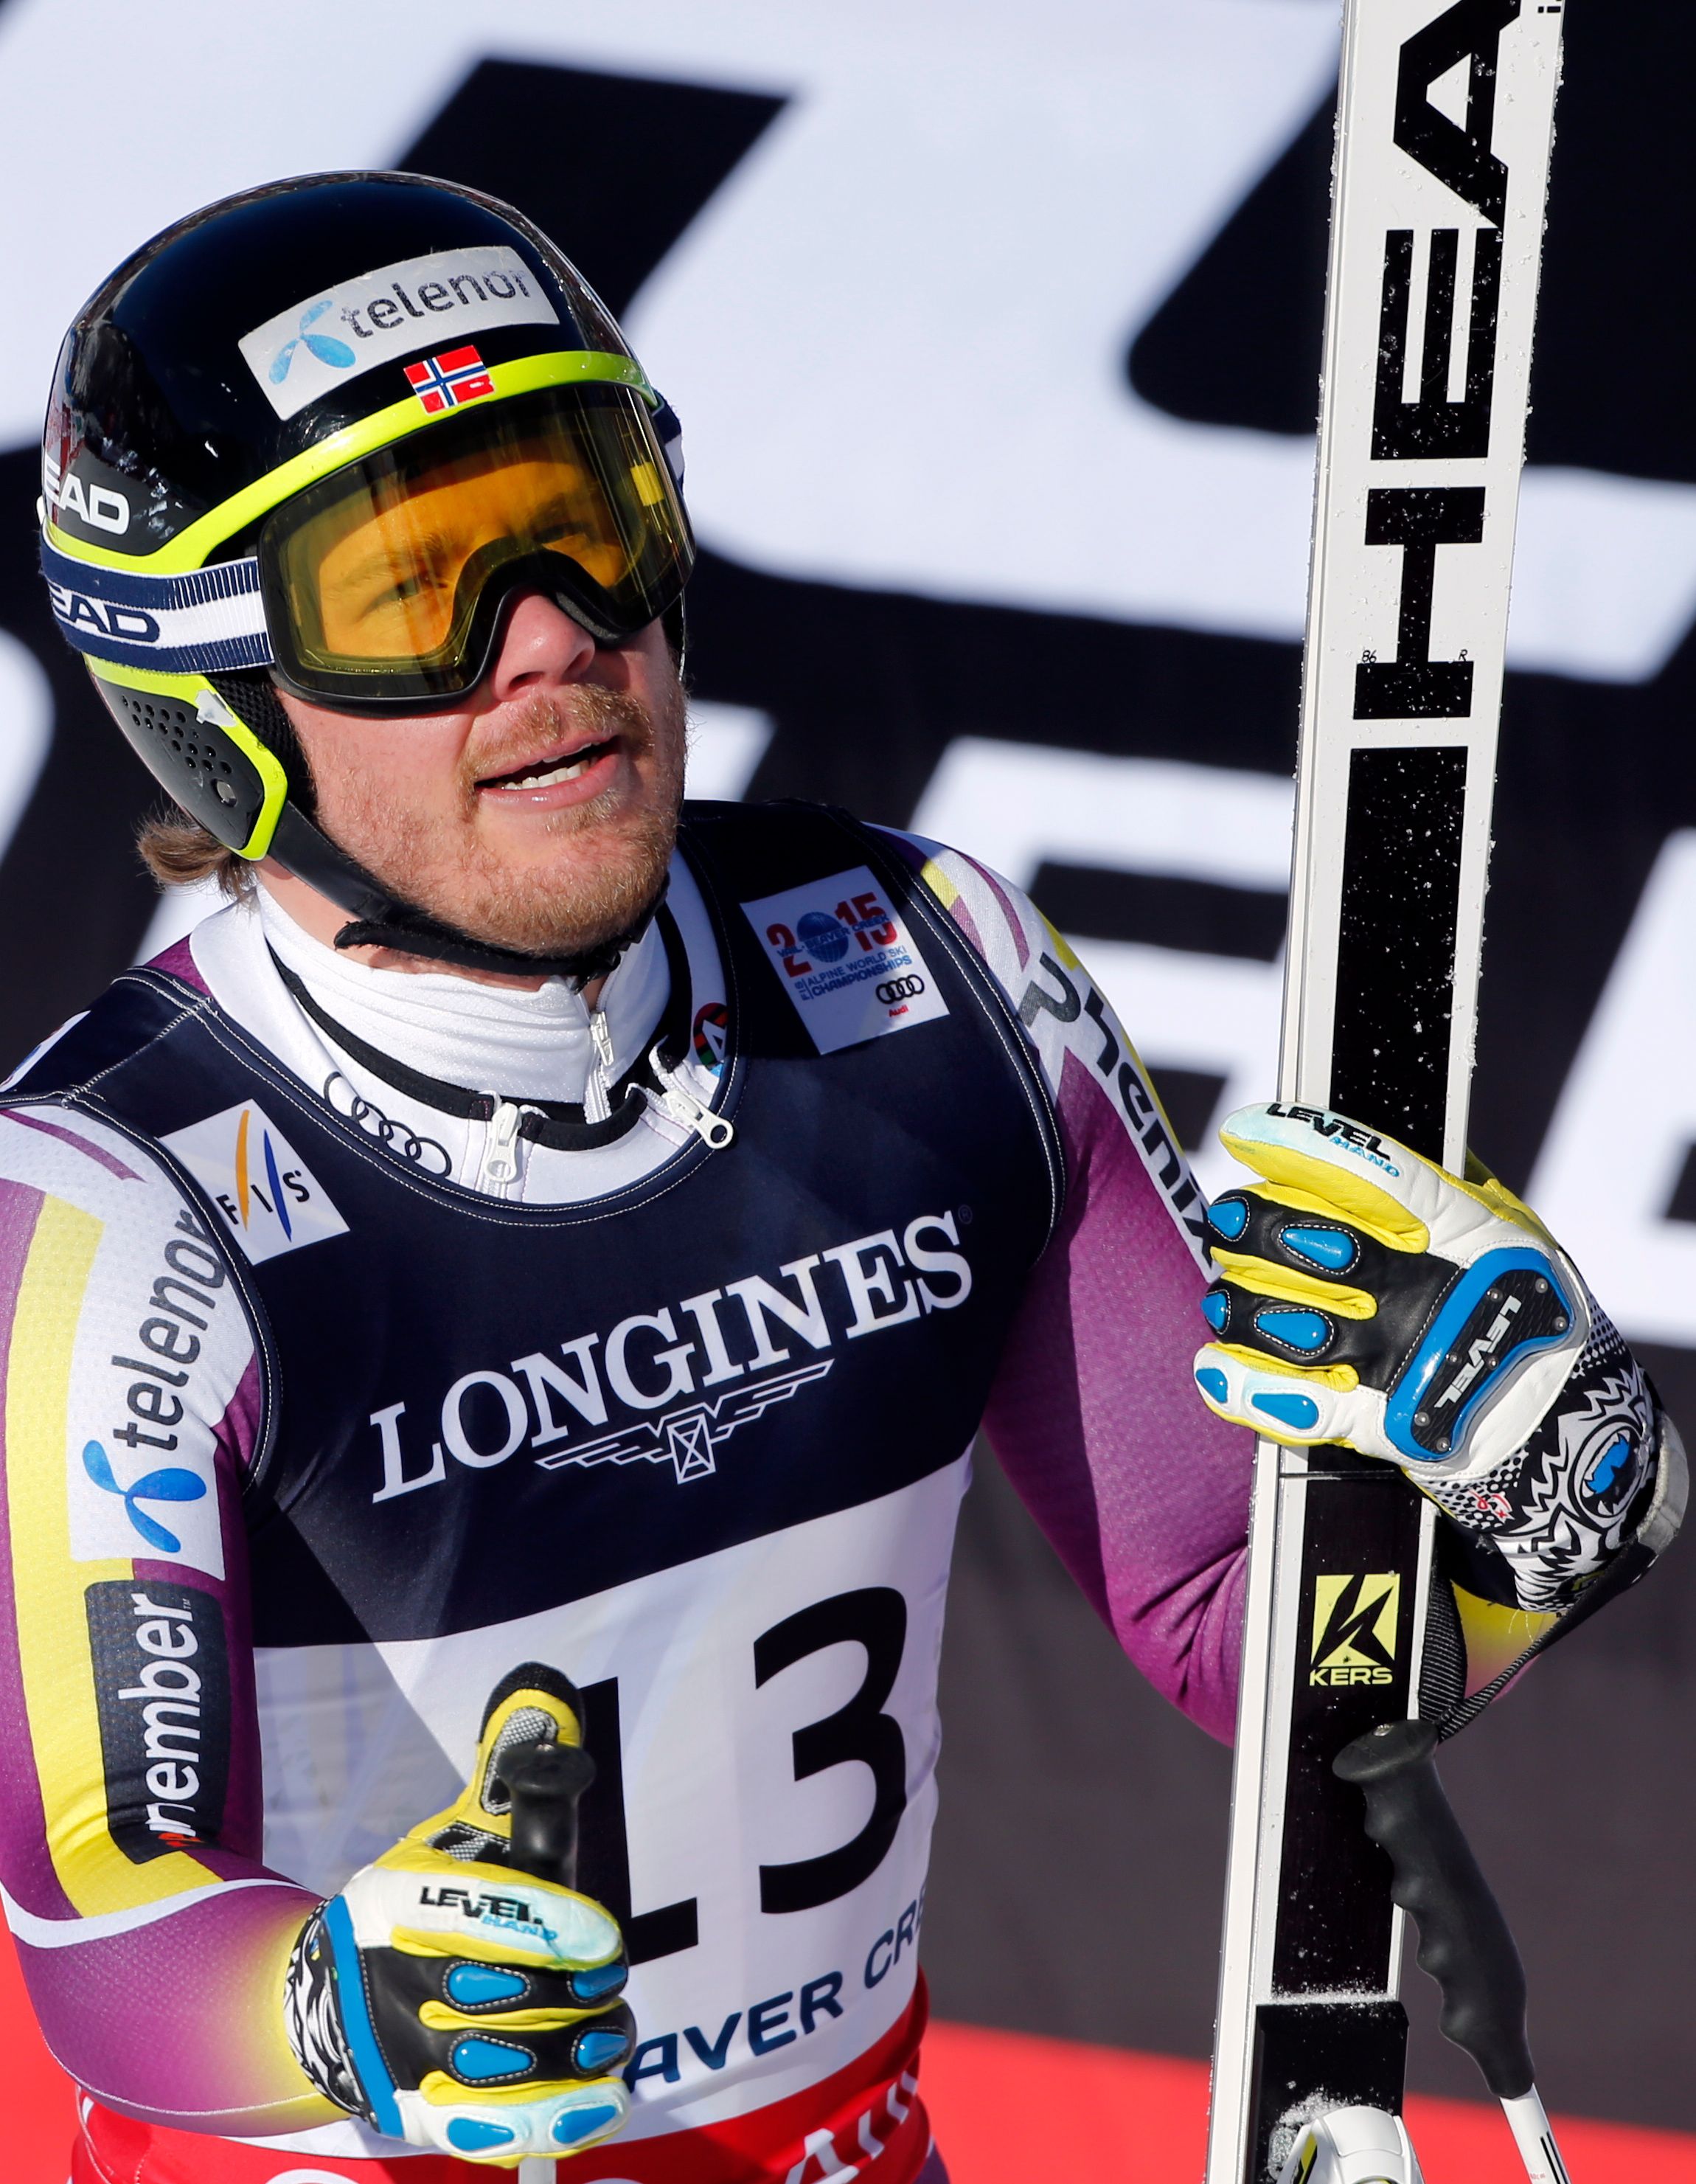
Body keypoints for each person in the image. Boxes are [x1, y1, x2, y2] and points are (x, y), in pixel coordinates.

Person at [1, 171, 1678, 2184]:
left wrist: (1548, 1516)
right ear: (209, 695)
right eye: (409, 589)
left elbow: (1244, 1628)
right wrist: (333, 2004)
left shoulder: (925, 973)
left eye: (589, 517)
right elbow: (98, 1910)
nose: (552, 637)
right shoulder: (117, 1211)